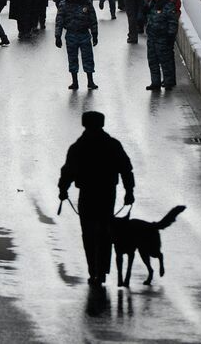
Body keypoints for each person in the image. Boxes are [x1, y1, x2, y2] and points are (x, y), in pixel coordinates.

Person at [58, 111, 135, 287]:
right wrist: (129, 191)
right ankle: (102, 271)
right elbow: (126, 169)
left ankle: (92, 269)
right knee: (105, 232)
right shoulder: (112, 144)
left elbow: (68, 170)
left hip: (87, 194)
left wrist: (63, 190)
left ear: (84, 124)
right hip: (108, 194)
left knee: (88, 233)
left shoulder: (78, 146)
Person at [55, 0, 99, 90]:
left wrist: (95, 34)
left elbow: (93, 19)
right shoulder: (64, 4)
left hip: (84, 33)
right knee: (72, 58)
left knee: (88, 58)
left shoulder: (86, 4)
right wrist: (58, 36)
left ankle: (90, 81)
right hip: (71, 34)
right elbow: (59, 21)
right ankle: (74, 81)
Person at [143, 0, 178, 91]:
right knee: (152, 61)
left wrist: (170, 37)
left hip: (163, 38)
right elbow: (145, 14)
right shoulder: (152, 4)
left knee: (165, 62)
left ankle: (168, 82)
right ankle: (155, 82)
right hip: (152, 38)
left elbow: (173, 22)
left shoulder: (168, 6)